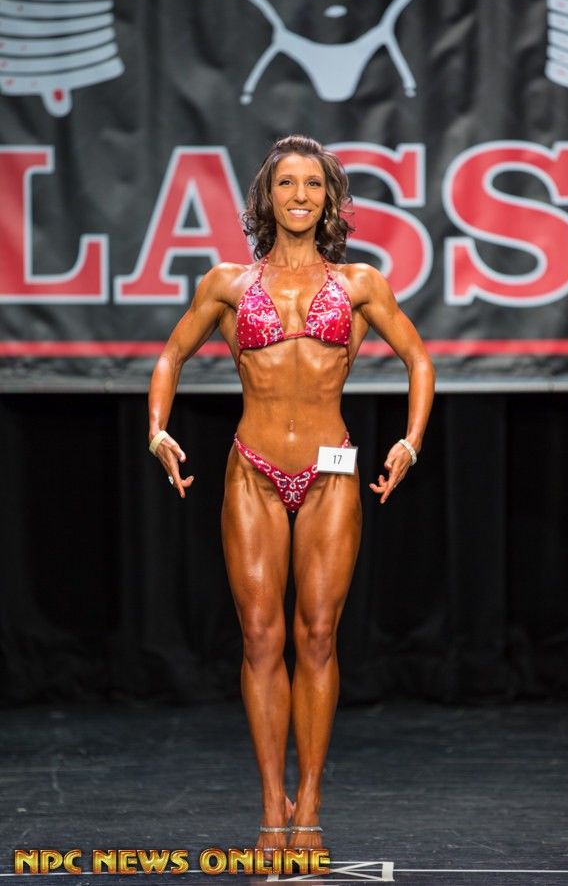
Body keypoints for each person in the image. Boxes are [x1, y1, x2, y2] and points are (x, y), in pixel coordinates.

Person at [147, 134, 435, 854]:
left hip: (332, 473)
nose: (299, 195)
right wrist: (158, 429)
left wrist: (409, 442)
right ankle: (270, 807)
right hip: (253, 469)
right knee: (259, 637)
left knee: (317, 635)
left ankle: (308, 802)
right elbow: (172, 353)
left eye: (312, 183)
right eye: (286, 183)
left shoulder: (361, 284)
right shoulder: (228, 284)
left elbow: (418, 357)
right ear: (266, 197)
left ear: (329, 198)